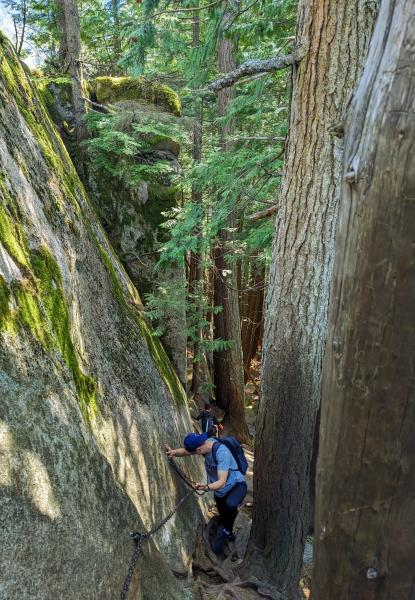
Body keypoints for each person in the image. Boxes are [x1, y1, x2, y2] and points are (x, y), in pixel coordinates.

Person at [165, 432, 247, 553]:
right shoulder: (202, 446)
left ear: (199, 449)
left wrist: (205, 487)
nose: (195, 453)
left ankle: (227, 531)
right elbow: (187, 451)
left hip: (236, 486)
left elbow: (222, 482)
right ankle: (227, 527)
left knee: (230, 505)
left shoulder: (221, 452)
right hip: (220, 492)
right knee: (224, 513)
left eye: (196, 451)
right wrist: (174, 452)